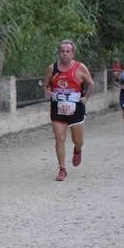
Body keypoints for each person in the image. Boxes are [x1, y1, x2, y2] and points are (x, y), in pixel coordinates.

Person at [44, 39, 94, 181]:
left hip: (75, 108)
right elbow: (46, 85)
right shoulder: (51, 68)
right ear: (59, 53)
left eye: (68, 51)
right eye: (62, 51)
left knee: (78, 140)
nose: (65, 54)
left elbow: (91, 84)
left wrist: (86, 98)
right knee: (60, 138)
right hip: (58, 108)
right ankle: (62, 169)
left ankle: (77, 150)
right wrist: (47, 91)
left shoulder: (80, 67)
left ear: (72, 54)